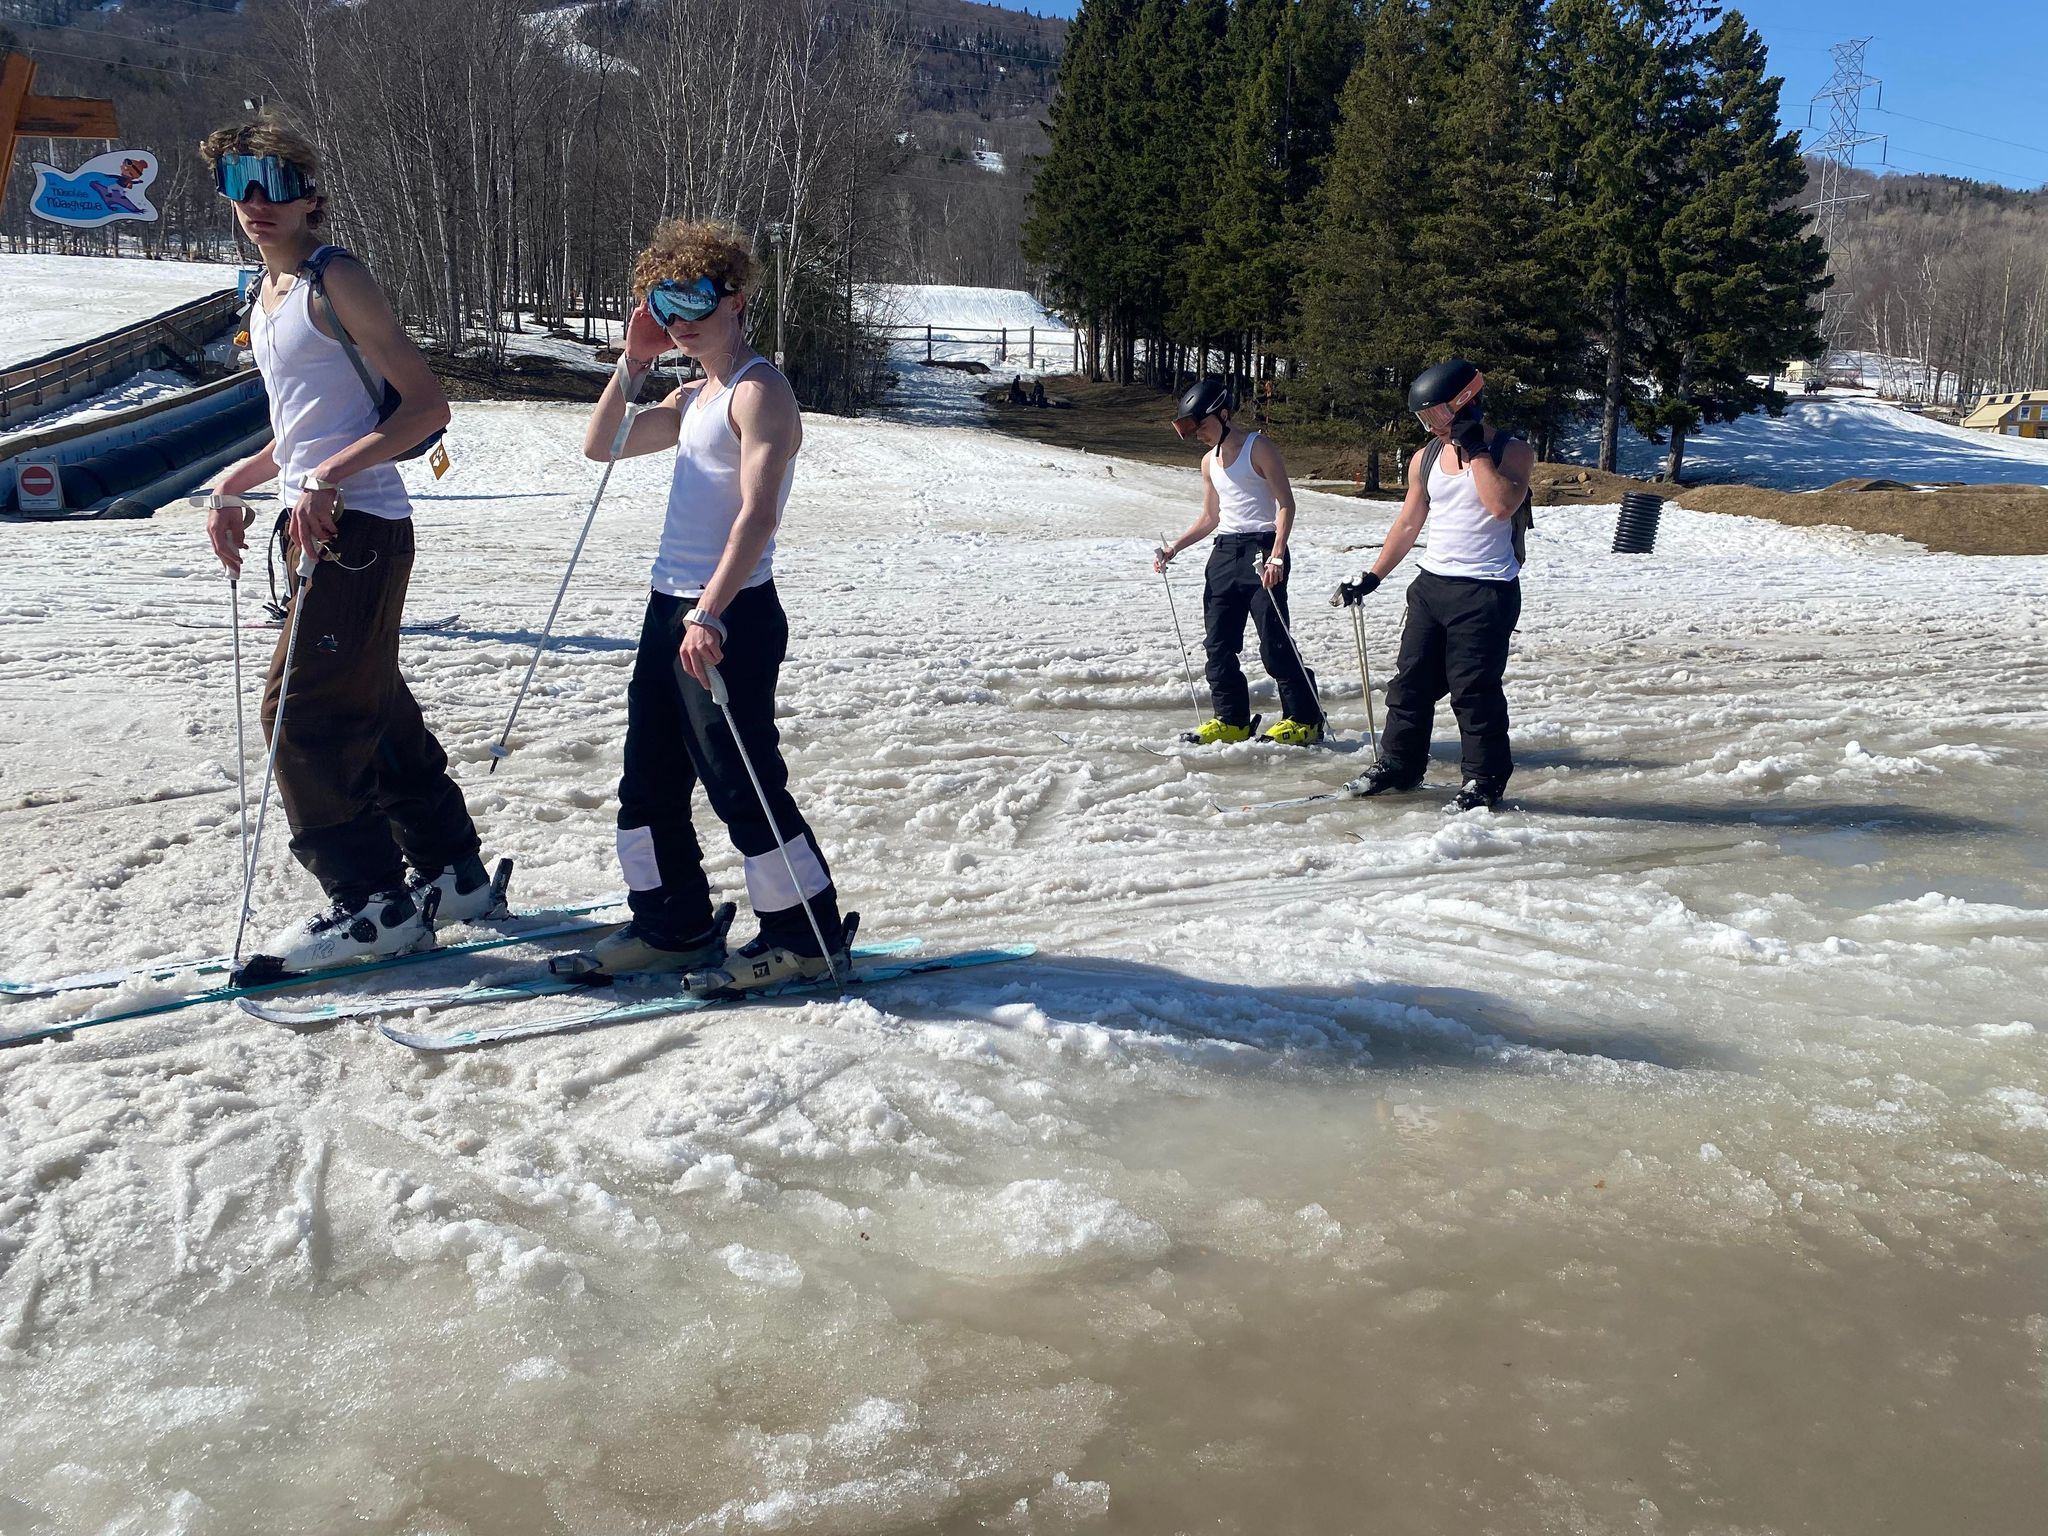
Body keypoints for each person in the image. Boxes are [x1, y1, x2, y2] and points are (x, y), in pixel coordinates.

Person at [198, 117, 500, 972]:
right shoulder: (266, 293)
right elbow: (302, 429)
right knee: (372, 703)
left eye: (274, 184)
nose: (257, 203)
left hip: (360, 525)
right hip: (315, 525)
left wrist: (329, 475)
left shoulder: (336, 278)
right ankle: (451, 872)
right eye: (239, 184)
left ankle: (371, 902)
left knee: (301, 714)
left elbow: (427, 406)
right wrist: (235, 483)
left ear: (309, 196)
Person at [557, 219, 850, 990]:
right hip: (670, 609)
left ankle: (807, 937)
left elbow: (759, 514)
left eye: (694, 299)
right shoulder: (694, 395)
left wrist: (711, 611)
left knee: (740, 781)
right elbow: (602, 444)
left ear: (736, 298)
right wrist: (632, 363)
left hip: (730, 614)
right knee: (647, 780)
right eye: (664, 302)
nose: (680, 319)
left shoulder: (759, 392)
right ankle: (672, 926)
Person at [1335, 358, 1534, 813]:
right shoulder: (1425, 459)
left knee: (1473, 690)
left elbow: (1500, 505)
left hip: (1486, 589)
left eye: (1439, 416)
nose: (1433, 427)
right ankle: (1400, 764)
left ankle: (1484, 780)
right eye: (1425, 419)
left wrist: (1476, 449)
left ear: (1468, 404)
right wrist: (1373, 575)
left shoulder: (1512, 450)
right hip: (1431, 586)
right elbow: (1409, 522)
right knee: (1410, 685)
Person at [1153, 378, 1323, 746]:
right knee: (1218, 644)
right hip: (1224, 553)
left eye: (1202, 426)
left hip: (1262, 549)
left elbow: (1285, 504)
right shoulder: (1207, 462)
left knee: (1274, 643)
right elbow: (1209, 517)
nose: (1199, 435)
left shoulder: (1257, 447)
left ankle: (1304, 719)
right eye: (1193, 430)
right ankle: (1231, 720)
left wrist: (1277, 554)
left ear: (1224, 414)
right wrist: (1175, 548)